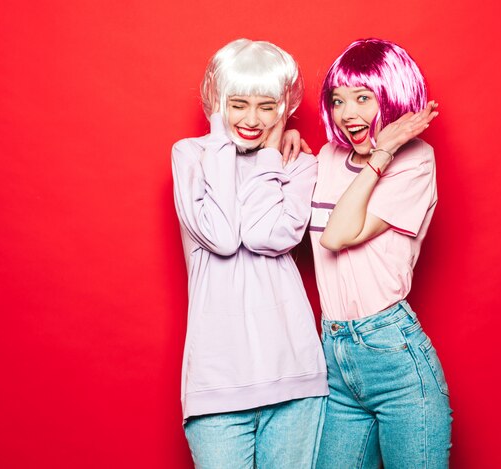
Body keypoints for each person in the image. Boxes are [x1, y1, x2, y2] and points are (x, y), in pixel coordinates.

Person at [171, 38, 328, 469]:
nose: (252, 119)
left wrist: (271, 156)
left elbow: (263, 234)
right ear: (217, 102)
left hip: (294, 376)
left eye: (267, 106)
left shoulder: (297, 164)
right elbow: (222, 236)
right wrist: (221, 141)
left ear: (283, 107)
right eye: (238, 104)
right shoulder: (191, 155)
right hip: (216, 381)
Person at [309, 38, 452, 468]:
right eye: (338, 100)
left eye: (362, 98)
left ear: (391, 98)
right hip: (333, 355)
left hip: (393, 355)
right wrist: (285, 135)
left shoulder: (414, 161)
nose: (348, 113)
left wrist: (383, 152)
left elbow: (337, 236)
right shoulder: (328, 158)